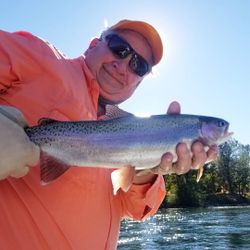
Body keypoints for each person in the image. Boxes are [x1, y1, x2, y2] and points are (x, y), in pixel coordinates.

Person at [0, 20, 218, 250]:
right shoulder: (39, 56)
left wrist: (145, 167)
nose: (123, 65)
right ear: (94, 44)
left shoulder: (136, 133)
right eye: (119, 48)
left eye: (139, 65)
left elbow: (135, 208)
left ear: (138, 83)